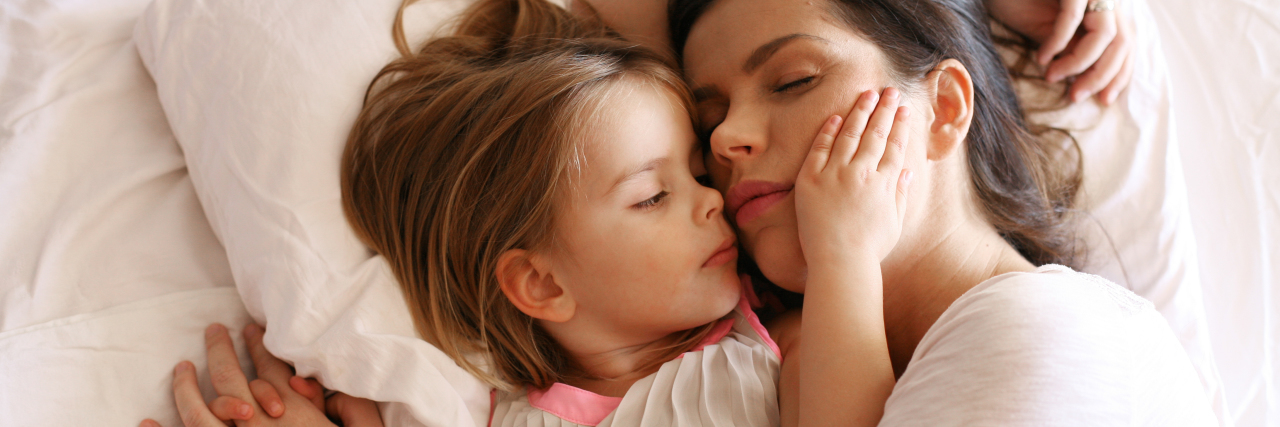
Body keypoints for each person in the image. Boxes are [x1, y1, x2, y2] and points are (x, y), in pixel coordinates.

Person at [143, 0, 918, 425]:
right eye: (654, 195)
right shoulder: (494, 418)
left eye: (692, 168)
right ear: (540, 284)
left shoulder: (773, 341)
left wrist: (844, 255)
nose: (713, 195)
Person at [661, 0, 1217, 424]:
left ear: (945, 108)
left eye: (793, 81)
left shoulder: (1037, 330)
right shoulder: (762, 369)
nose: (726, 138)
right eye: (709, 120)